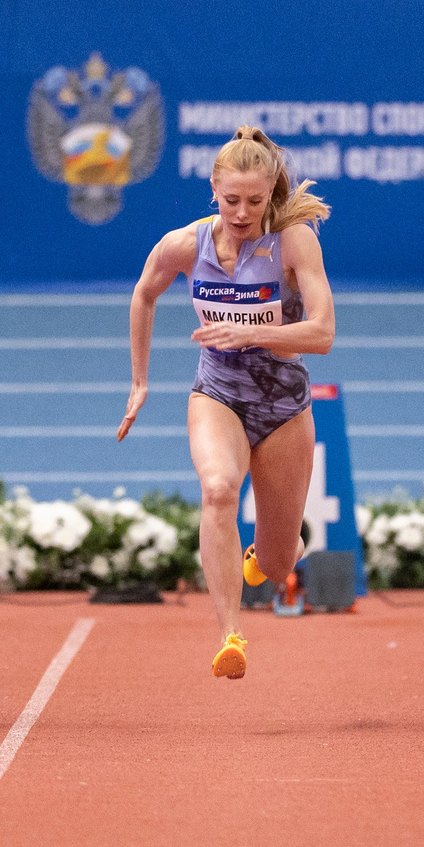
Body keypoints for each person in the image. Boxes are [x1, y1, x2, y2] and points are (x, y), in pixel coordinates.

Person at [117, 127, 335, 680]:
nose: (243, 213)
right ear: (213, 188)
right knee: (217, 490)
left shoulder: (294, 241)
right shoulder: (185, 244)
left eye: (256, 202)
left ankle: (262, 559)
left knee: (280, 562)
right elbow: (144, 292)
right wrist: (140, 380)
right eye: (232, 200)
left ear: (271, 196)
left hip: (284, 407)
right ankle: (229, 634)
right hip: (218, 395)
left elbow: (323, 332)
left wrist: (252, 334)